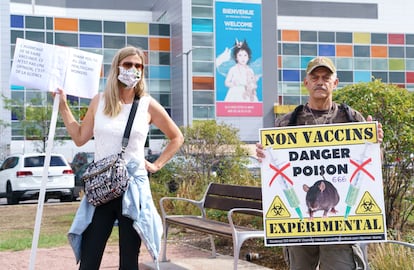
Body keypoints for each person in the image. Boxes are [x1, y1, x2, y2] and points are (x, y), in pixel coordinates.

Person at [56, 46, 184, 270]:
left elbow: (177, 137)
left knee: (128, 262)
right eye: (127, 64)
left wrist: (156, 164)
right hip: (102, 188)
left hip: (133, 189)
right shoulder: (100, 101)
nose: (133, 70)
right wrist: (63, 106)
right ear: (117, 67)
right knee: (89, 259)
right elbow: (79, 137)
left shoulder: (147, 104)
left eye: (138, 66)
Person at [256, 56, 383, 270]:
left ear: (335, 83)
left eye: (326, 77)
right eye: (314, 77)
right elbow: (274, 168)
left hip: (341, 226)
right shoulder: (287, 122)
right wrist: (262, 154)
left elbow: (373, 165)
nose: (320, 81)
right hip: (300, 226)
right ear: (306, 83)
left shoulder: (352, 119)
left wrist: (374, 143)